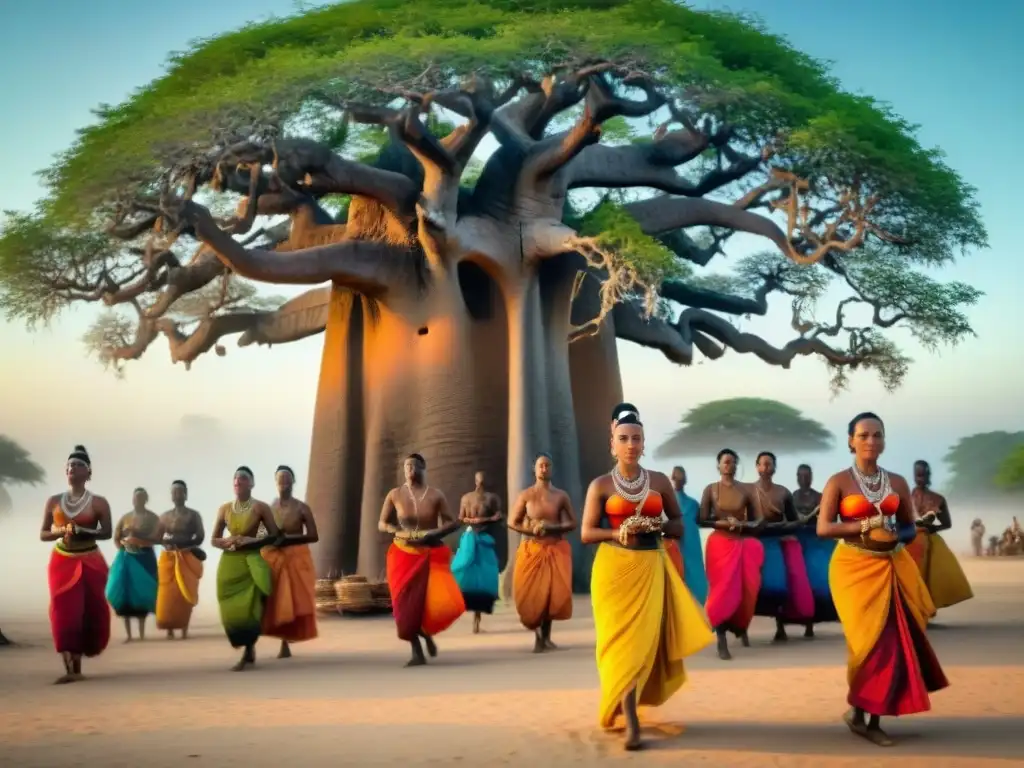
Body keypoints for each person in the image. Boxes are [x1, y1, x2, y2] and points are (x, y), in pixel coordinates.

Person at [581, 403, 713, 751]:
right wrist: (617, 533)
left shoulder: (658, 481)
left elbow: (679, 525)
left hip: (650, 567)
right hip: (612, 572)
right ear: (612, 443)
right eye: (623, 438)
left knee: (642, 643)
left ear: (643, 442)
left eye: (636, 438)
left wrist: (654, 525)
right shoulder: (600, 485)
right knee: (618, 644)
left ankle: (633, 706)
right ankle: (630, 718)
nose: (630, 444)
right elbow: (586, 533)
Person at [818, 412, 948, 747]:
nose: (871, 441)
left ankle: (867, 718)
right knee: (865, 643)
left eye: (877, 435)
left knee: (888, 642)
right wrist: (864, 526)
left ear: (884, 441)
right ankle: (860, 713)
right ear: (850, 441)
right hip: (851, 568)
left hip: (890, 565)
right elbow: (823, 528)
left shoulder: (898, 483)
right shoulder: (838, 482)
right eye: (863, 435)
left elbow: (907, 526)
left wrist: (896, 532)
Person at [378, 453, 465, 666]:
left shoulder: (436, 495)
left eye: (415, 466)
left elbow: (450, 522)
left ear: (423, 468)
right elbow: (381, 523)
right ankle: (417, 650)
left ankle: (426, 635)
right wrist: (394, 530)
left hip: (428, 553)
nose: (410, 470)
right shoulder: (395, 494)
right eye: (407, 466)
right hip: (402, 553)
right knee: (404, 605)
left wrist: (433, 534)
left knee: (425, 602)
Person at [39, 445, 113, 683]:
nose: (73, 468)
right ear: (66, 471)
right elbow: (43, 533)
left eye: (79, 465)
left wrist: (84, 530)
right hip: (62, 562)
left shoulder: (99, 503)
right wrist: (61, 531)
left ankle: (77, 668)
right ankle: (70, 669)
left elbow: (107, 533)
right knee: (64, 613)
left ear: (88, 472)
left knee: (87, 613)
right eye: (70, 465)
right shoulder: (54, 501)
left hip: (90, 561)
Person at [211, 466, 279, 671]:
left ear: (252, 483)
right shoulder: (224, 509)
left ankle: (248, 649)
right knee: (229, 607)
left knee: (250, 607)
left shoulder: (261, 508)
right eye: (236, 480)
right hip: (230, 563)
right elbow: (214, 539)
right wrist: (226, 541)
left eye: (243, 479)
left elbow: (275, 535)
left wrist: (252, 540)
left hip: (251, 559)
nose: (238, 482)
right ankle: (244, 644)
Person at [699, 449, 765, 660]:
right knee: (721, 590)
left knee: (744, 590)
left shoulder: (747, 490)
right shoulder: (711, 489)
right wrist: (722, 523)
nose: (729, 465)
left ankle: (739, 626)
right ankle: (721, 639)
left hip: (740, 542)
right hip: (718, 544)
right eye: (725, 462)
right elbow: (701, 520)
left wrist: (741, 524)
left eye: (732, 462)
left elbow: (759, 520)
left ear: (737, 466)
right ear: (718, 466)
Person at [508, 453, 576, 652]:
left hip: (555, 549)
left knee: (551, 595)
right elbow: (512, 522)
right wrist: (532, 530)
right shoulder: (526, 495)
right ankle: (538, 636)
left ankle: (546, 637)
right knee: (532, 595)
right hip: (532, 550)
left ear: (551, 469)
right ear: (534, 469)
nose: (544, 469)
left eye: (547, 465)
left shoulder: (560, 495)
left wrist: (551, 528)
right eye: (540, 466)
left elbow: (572, 522)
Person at [751, 452, 814, 642]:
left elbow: (794, 522)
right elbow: (744, 519)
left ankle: (780, 627)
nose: (766, 468)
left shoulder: (783, 492)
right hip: (756, 543)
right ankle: (742, 626)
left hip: (777, 543)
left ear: (775, 468)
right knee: (753, 587)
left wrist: (781, 527)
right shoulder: (748, 491)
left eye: (770, 464)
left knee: (779, 586)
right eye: (763, 464)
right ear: (757, 467)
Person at [261, 466, 319, 658]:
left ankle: (287, 641)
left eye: (287, 478)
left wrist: (288, 540)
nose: (283, 482)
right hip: (274, 557)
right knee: (277, 599)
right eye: (280, 478)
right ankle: (282, 640)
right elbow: (263, 533)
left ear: (293, 482)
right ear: (275, 482)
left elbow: (313, 536)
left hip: (296, 557)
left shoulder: (302, 508)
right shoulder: (269, 508)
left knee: (293, 599)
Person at [906, 460, 973, 611]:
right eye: (917, 475)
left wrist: (933, 528)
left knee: (928, 578)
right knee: (909, 577)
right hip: (908, 541)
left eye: (923, 475)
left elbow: (947, 523)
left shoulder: (938, 499)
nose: (920, 479)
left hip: (928, 543)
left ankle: (923, 610)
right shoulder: (905, 497)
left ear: (928, 475)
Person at [106, 487, 161, 642]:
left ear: (146, 499)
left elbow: (158, 538)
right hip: (126, 558)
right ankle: (129, 635)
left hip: (145, 557)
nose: (138, 500)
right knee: (125, 594)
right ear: (133, 499)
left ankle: (142, 634)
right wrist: (123, 548)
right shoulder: (125, 518)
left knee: (143, 592)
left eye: (141, 497)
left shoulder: (153, 518)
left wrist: (137, 534)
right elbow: (116, 537)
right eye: (136, 497)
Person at [451, 470, 503, 634]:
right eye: (478, 479)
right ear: (475, 480)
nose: (481, 482)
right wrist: (474, 520)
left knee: (486, 575)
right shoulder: (466, 498)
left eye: (483, 479)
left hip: (485, 539)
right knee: (463, 569)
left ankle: (477, 620)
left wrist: (486, 520)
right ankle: (460, 602)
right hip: (470, 538)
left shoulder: (492, 498)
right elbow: (461, 517)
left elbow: (498, 516)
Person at [792, 464, 837, 637]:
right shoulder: (792, 496)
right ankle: (783, 625)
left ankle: (810, 624)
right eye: (801, 476)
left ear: (811, 477)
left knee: (815, 583)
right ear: (797, 477)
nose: (804, 479)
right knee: (796, 583)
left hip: (815, 540)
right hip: (799, 540)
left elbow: (830, 517)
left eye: (807, 476)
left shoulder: (819, 496)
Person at [156, 481, 206, 639]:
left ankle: (184, 627)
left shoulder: (193, 515)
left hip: (186, 556)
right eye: (174, 492)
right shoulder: (164, 516)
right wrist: (167, 542)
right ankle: (169, 628)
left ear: (186, 494)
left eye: (180, 491)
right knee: (168, 594)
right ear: (171, 495)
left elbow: (200, 536)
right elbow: (157, 536)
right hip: (169, 557)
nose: (177, 494)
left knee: (185, 593)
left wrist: (186, 543)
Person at [669, 466, 708, 604]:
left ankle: (698, 607)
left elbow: (702, 520)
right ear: (671, 478)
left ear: (685, 480)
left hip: (691, 543)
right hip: (673, 542)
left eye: (681, 477)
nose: (678, 480)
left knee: (695, 574)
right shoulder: (666, 501)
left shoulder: (693, 504)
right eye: (675, 477)